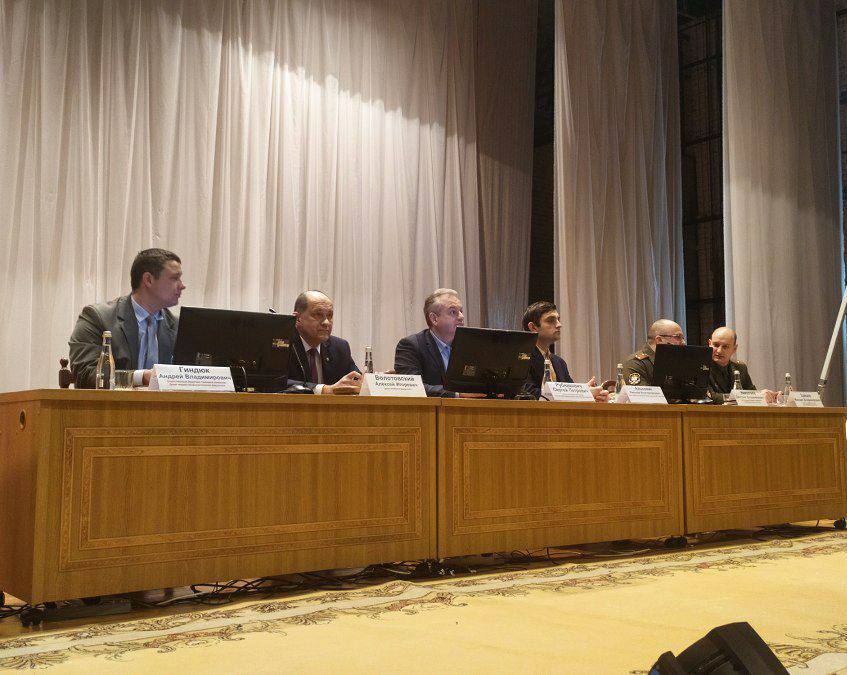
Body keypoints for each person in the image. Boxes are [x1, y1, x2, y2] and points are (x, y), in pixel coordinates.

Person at [69, 248, 185, 388]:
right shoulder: (97, 318)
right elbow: (84, 373)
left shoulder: (179, 327)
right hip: (112, 402)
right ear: (148, 280)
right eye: (174, 278)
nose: (182, 286)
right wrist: (140, 377)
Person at [394, 288, 478, 397]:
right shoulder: (410, 346)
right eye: (453, 312)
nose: (461, 317)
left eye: (461, 311)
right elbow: (412, 388)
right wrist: (458, 394)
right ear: (434, 319)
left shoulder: (470, 347)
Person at [521, 301, 608, 402]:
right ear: (533, 327)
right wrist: (583, 393)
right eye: (551, 320)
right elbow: (528, 394)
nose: (559, 324)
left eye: (558, 319)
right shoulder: (521, 357)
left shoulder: (559, 362)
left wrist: (588, 395)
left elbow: (570, 398)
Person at [288, 291, 362, 395]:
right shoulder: (280, 345)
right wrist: (324, 390)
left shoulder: (340, 347)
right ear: (297, 319)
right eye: (318, 315)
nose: (326, 322)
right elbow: (273, 383)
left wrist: (368, 381)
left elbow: (355, 379)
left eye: (330, 315)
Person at [706, 326, 778, 404]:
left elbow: (752, 394)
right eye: (716, 345)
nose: (719, 351)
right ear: (710, 344)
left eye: (725, 347)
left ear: (734, 349)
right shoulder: (701, 367)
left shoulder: (740, 368)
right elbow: (710, 397)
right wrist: (755, 396)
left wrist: (772, 396)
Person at [621, 319, 685, 386]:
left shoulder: (675, 361)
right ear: (659, 340)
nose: (683, 342)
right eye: (678, 337)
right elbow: (643, 392)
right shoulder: (636, 363)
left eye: (683, 338)